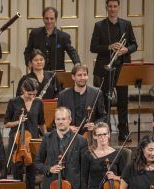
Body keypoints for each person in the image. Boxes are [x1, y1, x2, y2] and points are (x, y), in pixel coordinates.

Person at [90, 0, 138, 141]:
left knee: (123, 101)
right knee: (105, 102)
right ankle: (105, 131)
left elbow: (134, 44)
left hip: (122, 68)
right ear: (106, 8)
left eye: (115, 6)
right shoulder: (99, 26)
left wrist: (126, 50)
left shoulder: (126, 24)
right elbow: (93, 47)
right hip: (105, 69)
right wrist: (109, 46)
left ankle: (123, 131)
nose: (112, 9)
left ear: (118, 7)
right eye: (110, 6)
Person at [5, 78, 45, 189]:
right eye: (29, 94)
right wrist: (18, 121)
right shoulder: (13, 102)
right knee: (17, 180)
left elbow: (41, 123)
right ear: (23, 90)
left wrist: (46, 138)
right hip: (16, 144)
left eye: (34, 94)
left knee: (30, 180)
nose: (31, 97)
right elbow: (7, 123)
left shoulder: (38, 103)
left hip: (32, 145)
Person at [23, 6, 80, 71]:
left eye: (51, 18)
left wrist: (77, 63)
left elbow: (72, 51)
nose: (49, 21)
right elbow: (27, 51)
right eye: (46, 18)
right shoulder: (35, 34)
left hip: (57, 73)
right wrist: (28, 63)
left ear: (55, 19)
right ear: (43, 19)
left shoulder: (63, 36)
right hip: (38, 72)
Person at [57, 64, 107, 137]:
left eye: (85, 75)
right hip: (69, 136)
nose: (83, 78)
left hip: (89, 135)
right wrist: (67, 127)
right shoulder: (63, 95)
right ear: (73, 77)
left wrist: (95, 125)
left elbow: (103, 116)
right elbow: (58, 118)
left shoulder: (96, 93)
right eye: (79, 75)